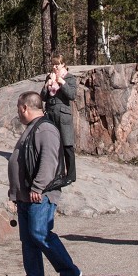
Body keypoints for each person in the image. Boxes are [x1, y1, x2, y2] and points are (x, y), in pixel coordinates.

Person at [6, 91, 81, 276]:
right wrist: (15, 193)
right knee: (29, 239)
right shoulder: (33, 129)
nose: (18, 114)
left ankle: (70, 273)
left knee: (40, 233)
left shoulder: (45, 129)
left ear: (24, 108)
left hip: (41, 195)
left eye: (18, 109)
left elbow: (48, 162)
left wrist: (38, 187)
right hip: (26, 196)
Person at [41, 54, 78, 185]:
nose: (55, 67)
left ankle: (71, 175)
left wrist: (62, 83)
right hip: (50, 114)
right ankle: (57, 172)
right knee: (54, 145)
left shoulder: (70, 78)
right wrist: (47, 84)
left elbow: (72, 95)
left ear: (63, 64)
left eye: (57, 64)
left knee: (67, 145)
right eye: (53, 64)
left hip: (63, 115)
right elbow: (43, 97)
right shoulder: (49, 77)